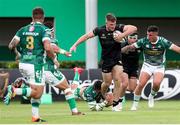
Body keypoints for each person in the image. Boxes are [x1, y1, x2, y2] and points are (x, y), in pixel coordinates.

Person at [70, 13, 137, 111]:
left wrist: (121, 35)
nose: (113, 26)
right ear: (106, 23)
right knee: (107, 82)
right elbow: (86, 36)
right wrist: (75, 45)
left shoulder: (119, 28)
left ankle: (116, 103)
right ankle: (101, 96)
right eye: (111, 25)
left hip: (117, 58)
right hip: (106, 60)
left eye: (114, 24)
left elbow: (133, 28)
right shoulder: (99, 30)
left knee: (118, 79)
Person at [5, 7, 57, 122]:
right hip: (36, 64)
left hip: (23, 63)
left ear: (32, 17)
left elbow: (11, 45)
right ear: (43, 18)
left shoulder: (22, 29)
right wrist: (54, 59)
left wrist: (17, 53)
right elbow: (48, 48)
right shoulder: (44, 30)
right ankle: (15, 90)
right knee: (38, 93)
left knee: (34, 90)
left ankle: (35, 116)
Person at [122, 25, 180, 111]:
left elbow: (177, 49)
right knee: (141, 84)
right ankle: (135, 104)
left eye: (150, 35)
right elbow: (132, 46)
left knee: (156, 83)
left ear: (156, 34)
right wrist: (125, 49)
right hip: (147, 66)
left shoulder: (163, 41)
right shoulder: (144, 41)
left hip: (159, 66)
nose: (148, 36)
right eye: (147, 34)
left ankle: (151, 96)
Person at [43, 22, 84, 115]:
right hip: (49, 69)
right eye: (52, 30)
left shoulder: (40, 38)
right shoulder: (49, 39)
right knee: (67, 88)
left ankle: (15, 90)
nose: (53, 32)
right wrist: (64, 52)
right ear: (51, 30)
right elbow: (52, 47)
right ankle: (75, 112)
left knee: (35, 92)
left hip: (39, 68)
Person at [118, 33, 141, 110]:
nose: (132, 40)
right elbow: (120, 51)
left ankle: (117, 90)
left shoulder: (140, 45)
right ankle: (119, 102)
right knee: (124, 84)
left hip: (134, 68)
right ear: (127, 38)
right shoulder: (123, 44)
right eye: (131, 38)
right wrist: (128, 47)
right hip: (124, 67)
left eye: (134, 38)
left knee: (131, 89)